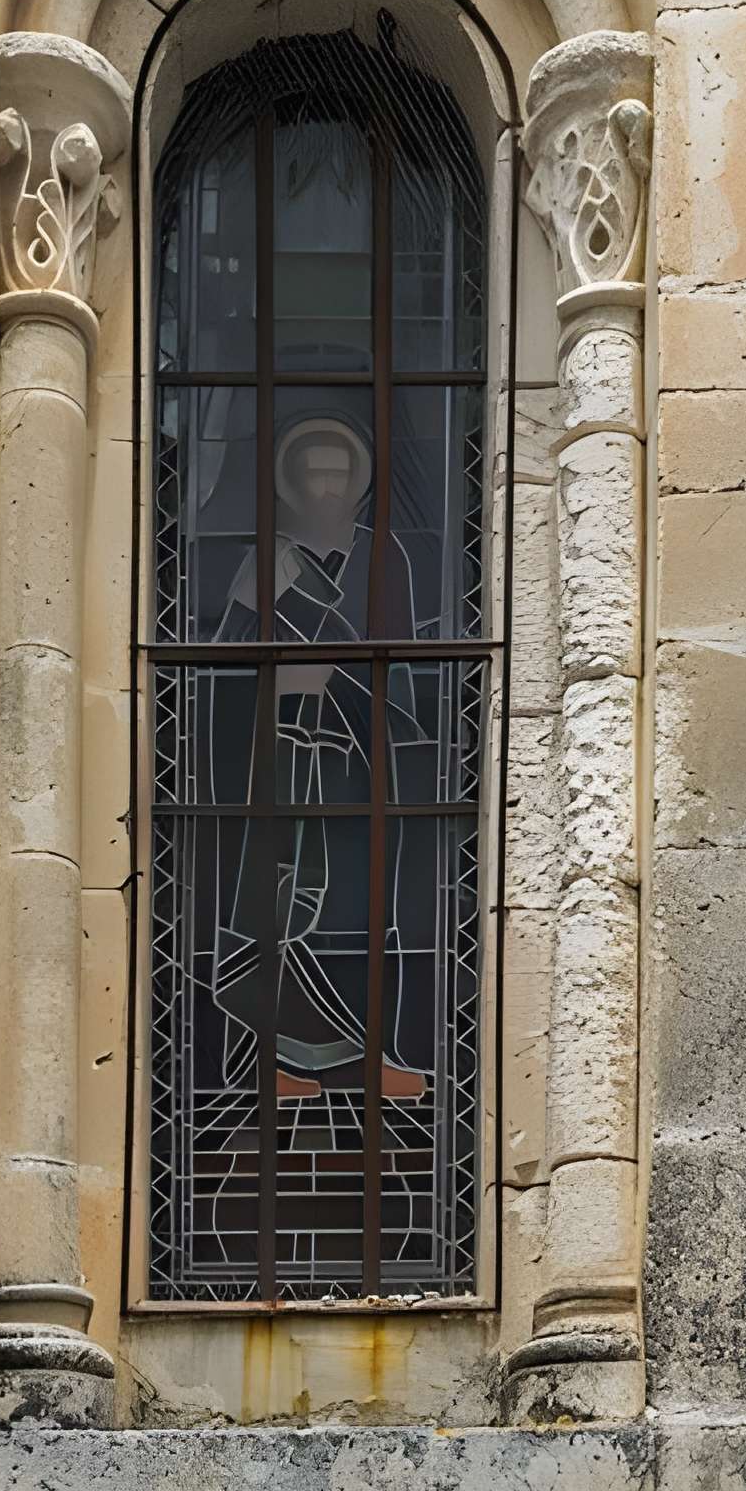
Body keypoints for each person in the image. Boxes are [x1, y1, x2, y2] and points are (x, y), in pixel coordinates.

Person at [208, 415, 427, 1102]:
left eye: (340, 474)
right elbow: (223, 663)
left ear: (358, 483)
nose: (328, 487)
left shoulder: (383, 556)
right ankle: (271, 1061)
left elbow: (404, 670)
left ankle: (364, 1055)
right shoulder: (266, 560)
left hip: (357, 754)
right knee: (276, 901)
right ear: (293, 482)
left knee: (353, 905)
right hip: (277, 748)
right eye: (316, 473)